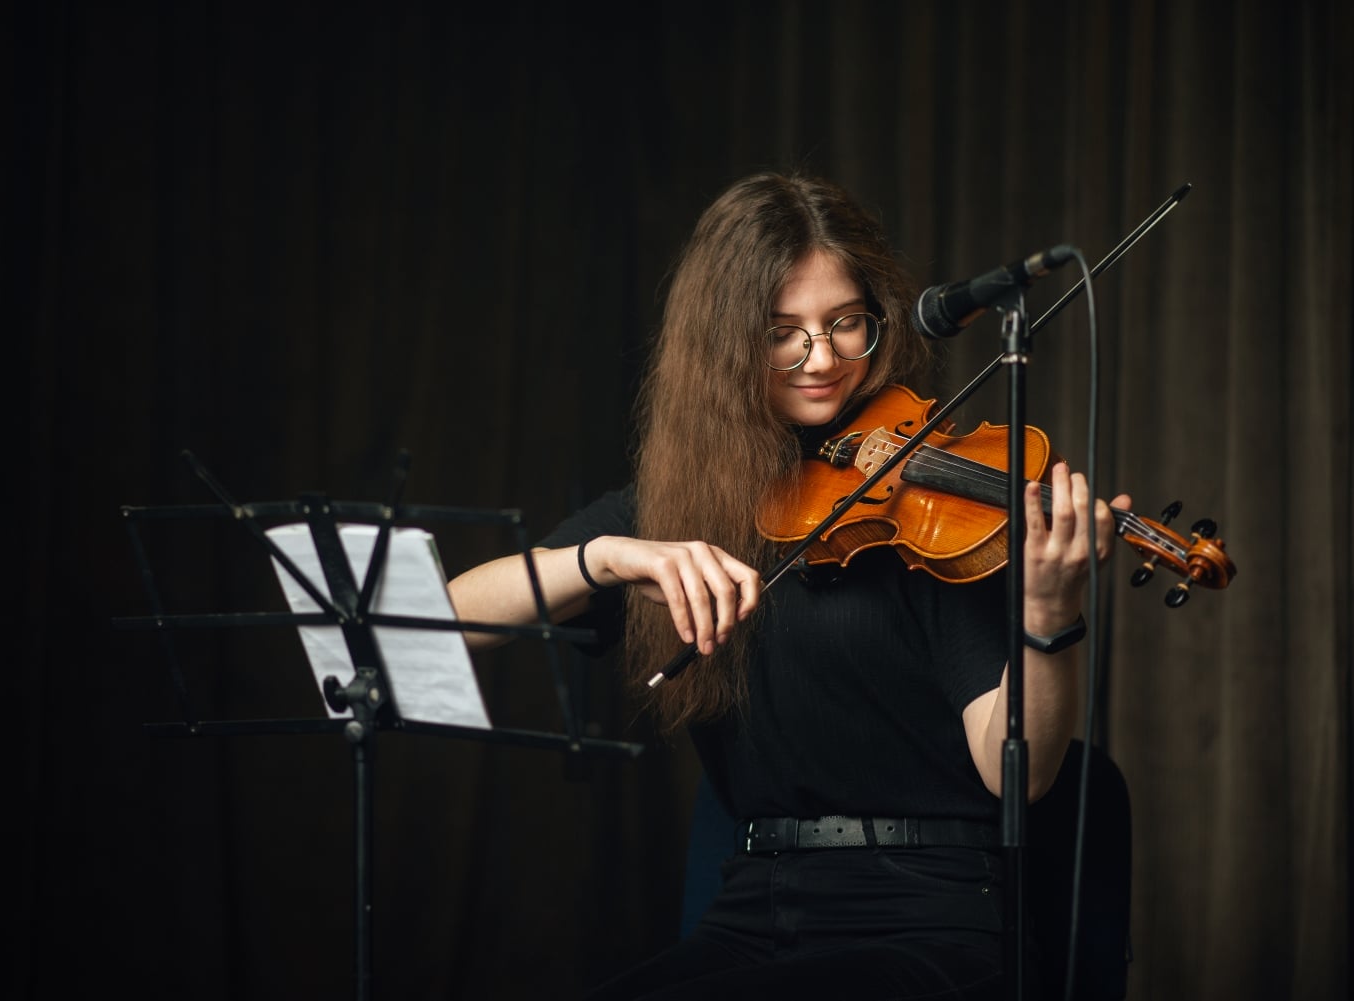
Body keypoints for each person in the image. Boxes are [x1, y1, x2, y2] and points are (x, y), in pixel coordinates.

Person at [446, 171, 1129, 1000]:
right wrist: (605, 558)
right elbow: (448, 619)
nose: (823, 359)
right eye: (783, 333)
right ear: (726, 344)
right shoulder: (681, 504)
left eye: (845, 323)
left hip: (932, 922)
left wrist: (1048, 616)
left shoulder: (931, 506)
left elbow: (1014, 772)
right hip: (752, 915)